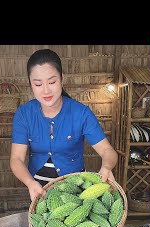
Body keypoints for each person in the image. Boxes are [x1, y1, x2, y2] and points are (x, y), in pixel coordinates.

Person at [10, 48, 118, 201]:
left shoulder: (81, 113)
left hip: (76, 190)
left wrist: (106, 167)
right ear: (31, 85)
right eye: (38, 84)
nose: (46, 90)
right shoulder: (24, 114)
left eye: (52, 82)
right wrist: (30, 183)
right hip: (39, 190)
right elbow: (16, 159)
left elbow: (108, 150)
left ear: (62, 78)